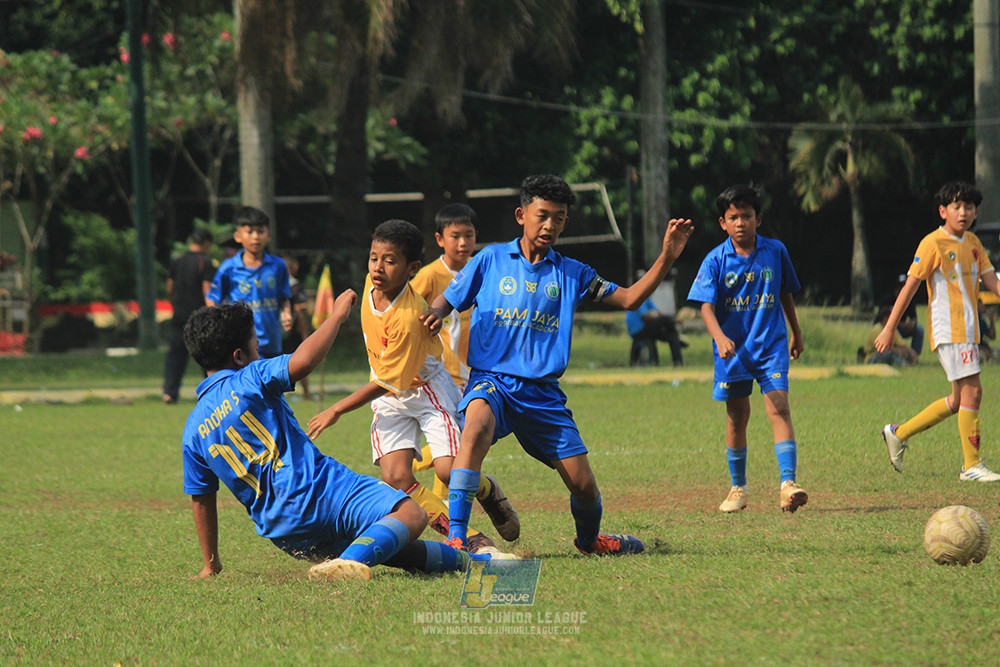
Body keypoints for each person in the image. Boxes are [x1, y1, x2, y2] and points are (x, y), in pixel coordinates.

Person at [421, 174, 694, 555]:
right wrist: (435, 313)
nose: (549, 225)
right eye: (542, 215)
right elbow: (448, 298)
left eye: (558, 217)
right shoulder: (490, 259)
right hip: (492, 382)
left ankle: (590, 541)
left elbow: (631, 299)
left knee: (583, 485)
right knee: (476, 427)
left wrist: (667, 257)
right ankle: (456, 538)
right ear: (522, 215)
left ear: (566, 222)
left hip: (542, 394)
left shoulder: (573, 273)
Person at [181, 298, 511, 582]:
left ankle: (476, 563)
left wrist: (211, 565)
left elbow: (201, 499)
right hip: (321, 491)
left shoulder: (193, 430)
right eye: (256, 344)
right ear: (239, 356)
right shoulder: (249, 378)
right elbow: (303, 361)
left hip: (283, 530)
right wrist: (337, 315)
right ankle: (346, 564)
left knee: (393, 547)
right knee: (411, 516)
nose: (260, 350)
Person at [305, 219, 515, 554]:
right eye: (374, 258)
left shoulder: (409, 317)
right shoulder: (372, 285)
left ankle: (488, 491)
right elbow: (386, 383)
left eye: (390, 261)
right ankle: (469, 536)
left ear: (411, 268)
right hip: (390, 395)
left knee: (448, 471)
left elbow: (386, 382)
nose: (378, 267)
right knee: (397, 477)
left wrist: (336, 409)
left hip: (427, 391)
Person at [687, 183, 808, 514]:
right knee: (737, 416)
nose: (741, 222)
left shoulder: (775, 252)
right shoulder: (715, 260)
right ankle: (738, 488)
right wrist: (720, 337)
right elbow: (706, 307)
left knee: (779, 407)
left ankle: (788, 484)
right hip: (733, 352)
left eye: (747, 216)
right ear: (723, 223)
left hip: (770, 346)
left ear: (759, 219)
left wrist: (795, 332)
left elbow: (786, 293)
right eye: (733, 217)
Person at [877, 181, 1000, 482]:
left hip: (969, 330)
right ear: (943, 211)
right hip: (950, 329)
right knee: (974, 390)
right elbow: (909, 289)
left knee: (959, 399)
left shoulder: (973, 242)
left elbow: (993, 283)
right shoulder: (932, 243)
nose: (963, 212)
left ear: (975, 213)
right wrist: (890, 328)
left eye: (969, 207)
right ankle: (971, 464)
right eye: (957, 206)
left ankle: (898, 433)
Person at [409, 203, 478, 500]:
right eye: (455, 236)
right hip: (445, 373)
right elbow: (406, 307)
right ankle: (410, 469)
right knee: (458, 441)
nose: (463, 243)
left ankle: (407, 464)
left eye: (469, 235)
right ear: (440, 239)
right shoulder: (429, 275)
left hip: (475, 368)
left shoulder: (481, 268)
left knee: (462, 439)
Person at [206, 207, 293, 358]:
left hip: (271, 343)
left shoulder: (277, 266)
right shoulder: (229, 268)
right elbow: (212, 298)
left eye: (260, 231)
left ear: (269, 235)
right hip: (241, 345)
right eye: (250, 232)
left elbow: (284, 296)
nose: (256, 237)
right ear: (238, 236)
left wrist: (286, 313)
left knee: (272, 381)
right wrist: (218, 327)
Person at [162, 228, 215, 404]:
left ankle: (169, 393)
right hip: (198, 316)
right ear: (207, 243)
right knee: (206, 356)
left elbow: (170, 286)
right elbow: (206, 289)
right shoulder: (205, 262)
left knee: (175, 356)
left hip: (179, 315)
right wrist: (212, 313)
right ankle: (211, 391)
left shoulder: (177, 261)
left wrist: (175, 304)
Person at [281, 252, 315, 399]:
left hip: (273, 331)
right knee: (300, 361)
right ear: (295, 267)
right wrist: (305, 332)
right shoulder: (295, 286)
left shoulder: (273, 285)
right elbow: (300, 311)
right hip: (292, 330)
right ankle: (307, 393)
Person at [626, 290, 687, 367]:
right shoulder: (639, 298)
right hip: (639, 329)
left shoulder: (647, 298)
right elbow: (645, 317)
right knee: (665, 320)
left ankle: (677, 362)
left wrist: (674, 320)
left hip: (647, 328)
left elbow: (658, 312)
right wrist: (665, 319)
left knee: (672, 336)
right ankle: (678, 340)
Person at [878, 275, 923, 360]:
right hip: (890, 327)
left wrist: (912, 324)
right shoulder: (888, 299)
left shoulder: (910, 300)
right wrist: (899, 324)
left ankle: (914, 356)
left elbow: (914, 317)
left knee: (919, 329)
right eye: (901, 287)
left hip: (902, 329)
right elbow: (882, 320)